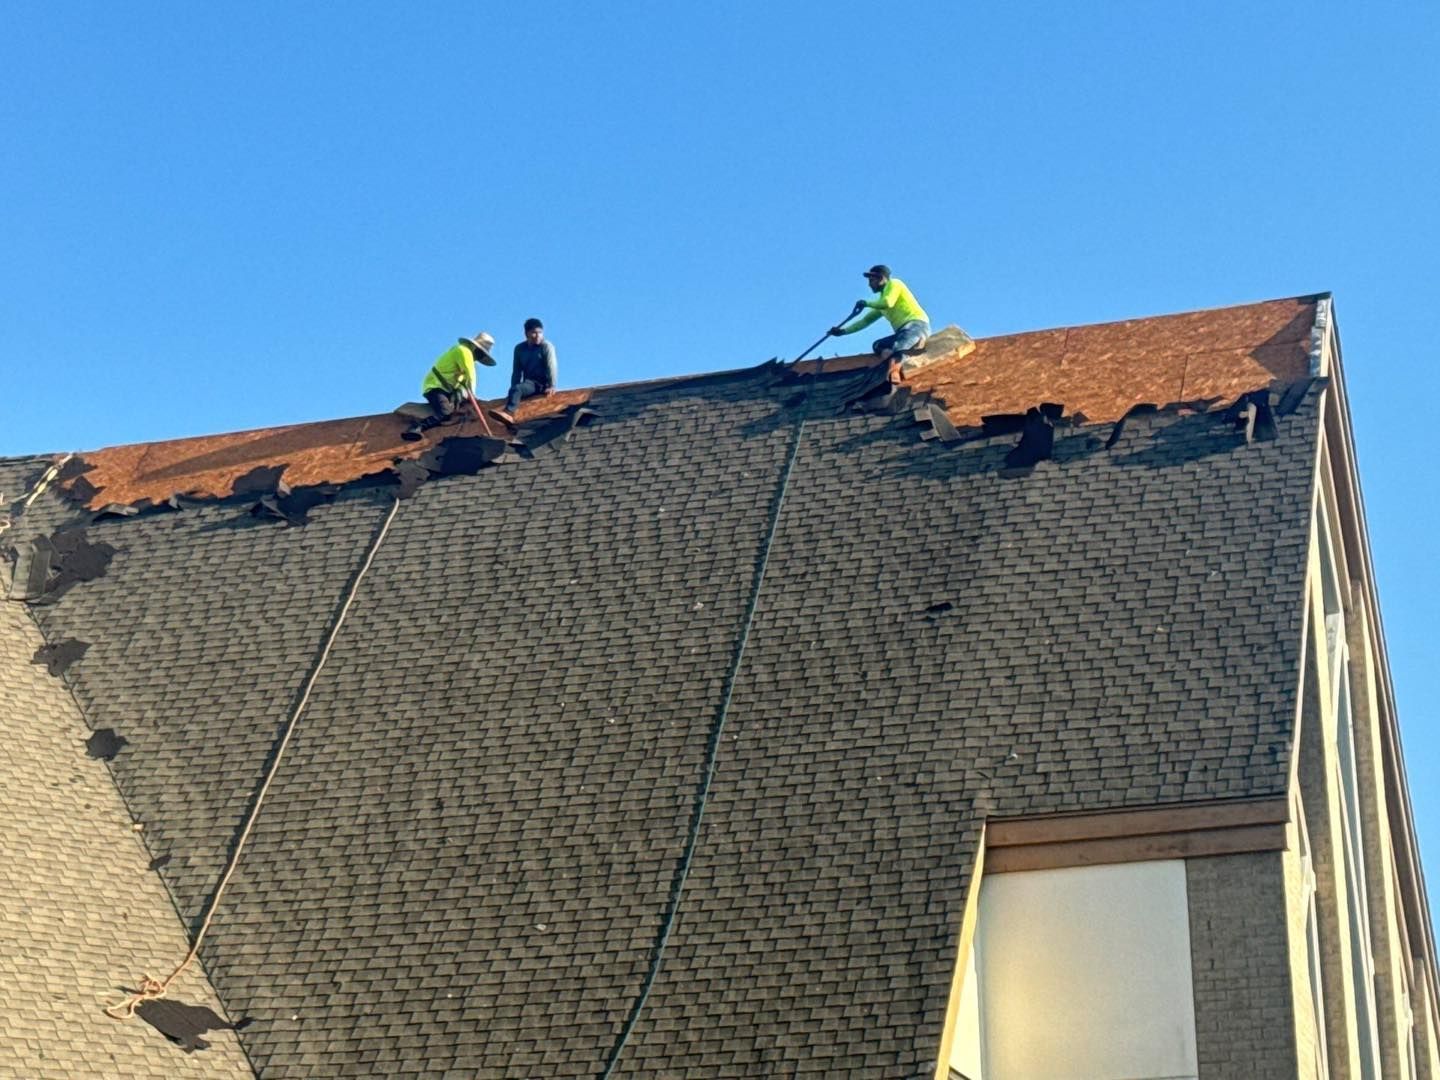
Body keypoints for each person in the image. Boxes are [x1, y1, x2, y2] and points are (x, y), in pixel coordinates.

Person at [829, 265, 931, 383]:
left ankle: (894, 372)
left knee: (899, 347)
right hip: (902, 332)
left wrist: (867, 303)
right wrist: (843, 331)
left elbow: (888, 302)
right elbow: (865, 321)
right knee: (878, 345)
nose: (869, 284)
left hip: (916, 326)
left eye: (871, 280)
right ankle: (902, 354)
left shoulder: (894, 284)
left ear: (881, 279)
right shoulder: (881, 303)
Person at [401, 332, 496, 441]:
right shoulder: (463, 351)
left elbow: (463, 379)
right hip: (435, 387)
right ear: (475, 347)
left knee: (459, 402)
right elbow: (470, 374)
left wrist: (463, 392)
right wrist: (473, 394)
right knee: (445, 412)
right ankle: (416, 428)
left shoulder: (466, 356)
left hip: (449, 389)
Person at [496, 318, 558, 422]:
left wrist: (552, 385)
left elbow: (551, 366)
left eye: (540, 333)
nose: (538, 336)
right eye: (534, 333)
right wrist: (513, 390)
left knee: (517, 389)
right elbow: (516, 371)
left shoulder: (546, 346)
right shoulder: (520, 349)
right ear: (526, 333)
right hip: (529, 384)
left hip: (542, 384)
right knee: (516, 389)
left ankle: (509, 413)